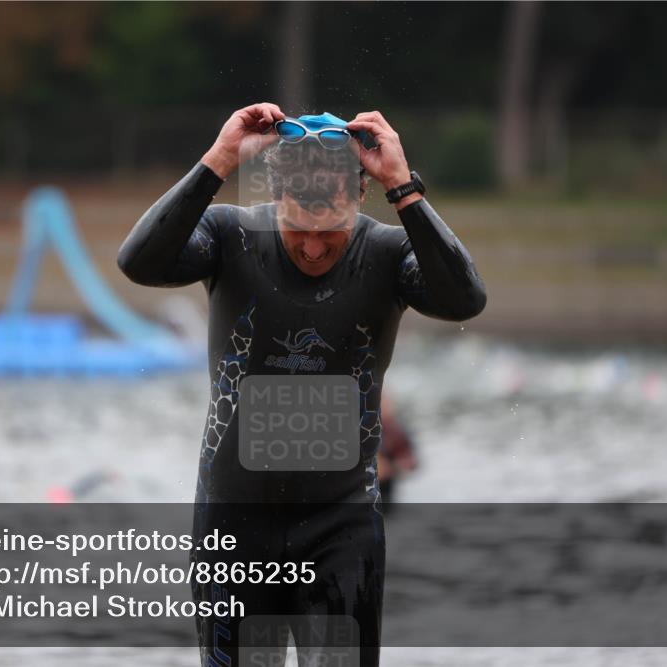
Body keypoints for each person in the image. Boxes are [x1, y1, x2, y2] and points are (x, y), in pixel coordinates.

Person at [117, 103, 486, 666]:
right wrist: (219, 159)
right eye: (299, 229)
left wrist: (405, 188)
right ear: (274, 198)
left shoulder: (387, 254)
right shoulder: (230, 236)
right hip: (233, 526)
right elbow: (139, 261)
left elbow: (465, 298)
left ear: (360, 194)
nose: (314, 248)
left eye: (330, 232)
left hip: (341, 528)